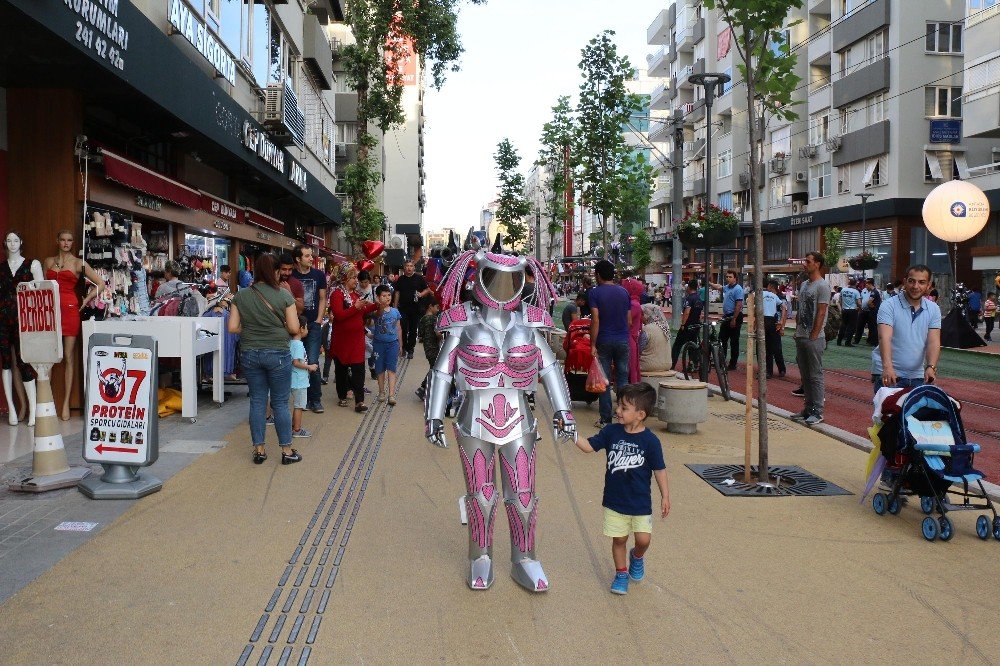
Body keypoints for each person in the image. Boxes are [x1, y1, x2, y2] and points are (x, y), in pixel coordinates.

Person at [574, 383, 670, 595]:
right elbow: (588, 447)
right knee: (619, 539)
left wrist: (665, 496)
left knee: (643, 540)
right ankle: (620, 574)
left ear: (640, 414)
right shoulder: (611, 432)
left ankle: (636, 557)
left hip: (640, 502)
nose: (617, 411)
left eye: (624, 408)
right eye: (618, 405)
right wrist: (571, 432)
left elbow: (659, 469)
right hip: (614, 501)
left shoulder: (650, 441)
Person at [228, 253, 302, 466]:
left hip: (250, 353)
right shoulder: (284, 296)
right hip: (278, 353)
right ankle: (286, 451)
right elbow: (295, 328)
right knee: (280, 403)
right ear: (276, 271)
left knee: (258, 401)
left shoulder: (241, 296)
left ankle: (259, 450)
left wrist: (251, 328)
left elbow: (232, 327)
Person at [42, 229, 107, 421]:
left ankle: (65, 406)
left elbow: (101, 283)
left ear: (72, 243)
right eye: (62, 240)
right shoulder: (48, 261)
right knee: (50, 357)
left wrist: (87, 299)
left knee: (69, 357)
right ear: (57, 241)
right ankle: (48, 404)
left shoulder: (79, 263)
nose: (66, 243)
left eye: (69, 240)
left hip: (71, 310)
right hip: (51, 312)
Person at [871, 264, 941, 393]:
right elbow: (884, 338)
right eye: (911, 281)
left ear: (928, 286)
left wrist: (931, 367)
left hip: (918, 376)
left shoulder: (934, 309)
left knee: (917, 413)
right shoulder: (888, 305)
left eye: (921, 282)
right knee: (888, 413)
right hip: (889, 373)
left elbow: (933, 341)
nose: (915, 286)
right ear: (904, 282)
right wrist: (887, 367)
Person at [328, 264, 378, 413]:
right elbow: (339, 315)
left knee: (359, 370)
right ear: (345, 278)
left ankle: (359, 401)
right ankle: (342, 395)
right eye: (353, 278)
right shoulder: (337, 294)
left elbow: (362, 310)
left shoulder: (356, 295)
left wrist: (376, 305)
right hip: (342, 340)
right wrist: (355, 307)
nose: (356, 280)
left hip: (356, 339)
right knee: (341, 369)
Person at [590, 260, 632, 428]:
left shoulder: (595, 293)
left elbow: (595, 319)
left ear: (598, 275)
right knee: (622, 379)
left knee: (604, 381)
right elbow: (629, 320)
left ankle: (606, 419)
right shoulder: (623, 292)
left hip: (604, 340)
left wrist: (593, 343)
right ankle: (625, 416)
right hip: (623, 340)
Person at [790, 252, 830, 426]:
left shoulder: (822, 286)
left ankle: (817, 411)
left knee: (815, 375)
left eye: (808, 261)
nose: (804, 264)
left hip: (814, 337)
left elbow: (821, 311)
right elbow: (801, 309)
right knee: (805, 375)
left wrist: (814, 333)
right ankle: (808, 408)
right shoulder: (805, 284)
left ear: (818, 264)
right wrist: (798, 330)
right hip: (801, 335)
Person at [293, 245, 327, 413]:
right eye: (307, 256)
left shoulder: (319, 275)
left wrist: (319, 320)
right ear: (298, 259)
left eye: (310, 255)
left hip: (313, 323)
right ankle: (304, 399)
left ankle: (316, 399)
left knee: (313, 359)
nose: (310, 258)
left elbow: (322, 298)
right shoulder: (291, 275)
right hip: (295, 324)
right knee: (299, 360)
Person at [393, 260, 431, 360]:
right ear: (404, 267)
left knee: (413, 330)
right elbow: (397, 293)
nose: (409, 268)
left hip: (415, 308)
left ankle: (411, 349)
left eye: (411, 266)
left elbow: (427, 290)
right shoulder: (400, 279)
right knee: (403, 328)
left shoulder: (419, 278)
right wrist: (395, 307)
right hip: (403, 308)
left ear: (414, 268)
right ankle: (404, 347)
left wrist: (421, 294)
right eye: (407, 266)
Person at [372, 284, 403, 405]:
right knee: (380, 369)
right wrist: (380, 305)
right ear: (378, 297)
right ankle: (381, 391)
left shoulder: (395, 311)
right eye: (383, 295)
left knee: (392, 369)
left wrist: (400, 344)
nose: (387, 297)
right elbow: (377, 315)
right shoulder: (376, 310)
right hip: (378, 344)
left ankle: (391, 394)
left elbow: (399, 328)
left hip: (393, 344)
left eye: (389, 295)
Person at [709, 270, 744, 370]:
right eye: (727, 277)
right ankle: (721, 360)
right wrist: (710, 283)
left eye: (730, 277)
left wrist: (734, 319)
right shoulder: (727, 287)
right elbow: (719, 287)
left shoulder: (738, 289)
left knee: (734, 341)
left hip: (734, 316)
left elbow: (739, 304)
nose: (728, 278)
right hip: (726, 316)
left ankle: (732, 364)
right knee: (722, 339)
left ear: (735, 278)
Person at [289, 315, 317, 438]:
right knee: (299, 406)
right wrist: (309, 367)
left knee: (297, 405)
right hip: (299, 381)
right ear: (301, 328)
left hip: (294, 379)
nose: (307, 330)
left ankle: (293, 426)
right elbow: (296, 362)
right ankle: (297, 430)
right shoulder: (298, 344)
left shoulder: (291, 343)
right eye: (306, 327)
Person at [671, 280, 703, 370]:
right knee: (693, 345)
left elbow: (687, 312)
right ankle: (694, 364)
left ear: (689, 287)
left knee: (677, 345)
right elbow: (700, 314)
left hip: (688, 325)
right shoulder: (699, 298)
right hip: (696, 325)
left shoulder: (689, 298)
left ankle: (672, 364)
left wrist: (683, 324)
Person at [414, 298, 443, 400]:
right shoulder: (434, 319)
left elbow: (420, 335)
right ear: (430, 306)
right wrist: (442, 337)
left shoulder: (422, 319)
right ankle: (423, 389)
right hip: (434, 347)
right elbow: (438, 333)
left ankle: (423, 389)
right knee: (435, 369)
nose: (438, 310)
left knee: (434, 368)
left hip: (427, 348)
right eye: (437, 307)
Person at [763, 279, 787, 378]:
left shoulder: (779, 297)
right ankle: (771, 371)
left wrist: (782, 325)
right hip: (771, 322)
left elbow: (784, 310)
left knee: (775, 348)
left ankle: (780, 369)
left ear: (770, 286)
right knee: (770, 348)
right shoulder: (773, 296)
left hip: (774, 323)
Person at [623, 278, 645, 384]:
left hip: (628, 338)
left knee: (629, 368)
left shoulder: (632, 304)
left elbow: (625, 321)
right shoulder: (635, 303)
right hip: (631, 338)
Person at [837, 278, 861, 347]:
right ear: (855, 284)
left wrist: (842, 308)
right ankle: (848, 342)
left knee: (843, 325)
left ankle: (839, 341)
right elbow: (859, 303)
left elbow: (840, 300)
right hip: (853, 310)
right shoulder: (856, 292)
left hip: (844, 310)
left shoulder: (843, 290)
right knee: (852, 327)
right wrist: (860, 307)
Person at [854, 278, 877, 344]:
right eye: (865, 283)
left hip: (871, 312)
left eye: (867, 283)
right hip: (863, 311)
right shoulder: (863, 290)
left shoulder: (875, 291)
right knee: (859, 326)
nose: (866, 284)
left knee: (871, 327)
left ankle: (870, 341)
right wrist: (859, 307)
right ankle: (856, 340)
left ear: (871, 284)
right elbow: (860, 300)